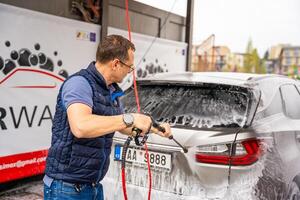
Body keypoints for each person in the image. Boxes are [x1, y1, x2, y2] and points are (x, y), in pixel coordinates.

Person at [43, 34, 171, 200]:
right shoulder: (79, 84)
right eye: (129, 67)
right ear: (116, 64)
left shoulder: (111, 90)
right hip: (66, 189)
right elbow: (81, 126)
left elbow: (121, 126)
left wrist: (155, 129)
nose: (129, 72)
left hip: (94, 186)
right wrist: (129, 118)